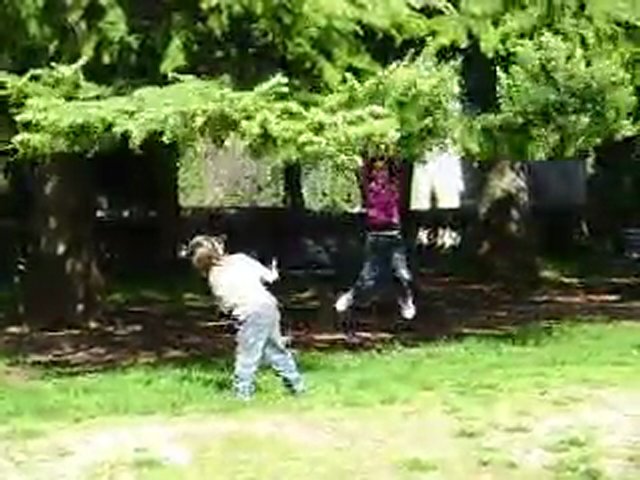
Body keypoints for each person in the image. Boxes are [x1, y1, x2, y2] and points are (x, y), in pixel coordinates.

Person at [181, 234, 304, 400]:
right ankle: (297, 387)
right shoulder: (240, 259)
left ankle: (242, 393)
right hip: (268, 306)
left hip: (248, 313)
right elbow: (270, 277)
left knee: (247, 354)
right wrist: (273, 268)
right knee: (275, 349)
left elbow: (225, 305)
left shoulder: (214, 278)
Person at [334, 151, 416, 328]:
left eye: (383, 170)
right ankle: (350, 297)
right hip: (375, 236)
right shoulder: (369, 188)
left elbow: (399, 167)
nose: (380, 173)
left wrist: (394, 150)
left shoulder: (394, 186)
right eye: (376, 170)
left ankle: (406, 301)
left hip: (393, 235)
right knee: (368, 277)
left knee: (403, 274)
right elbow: (363, 172)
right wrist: (363, 155)